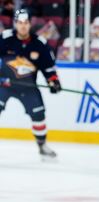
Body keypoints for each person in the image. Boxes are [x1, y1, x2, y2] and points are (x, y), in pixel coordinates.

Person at [0, 9, 61, 159]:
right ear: (15, 23)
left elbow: (48, 67)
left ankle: (42, 145)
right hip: (4, 85)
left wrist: (53, 81)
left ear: (30, 24)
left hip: (28, 87)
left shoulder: (40, 44)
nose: (23, 26)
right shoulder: (5, 38)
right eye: (20, 23)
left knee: (38, 114)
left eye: (26, 23)